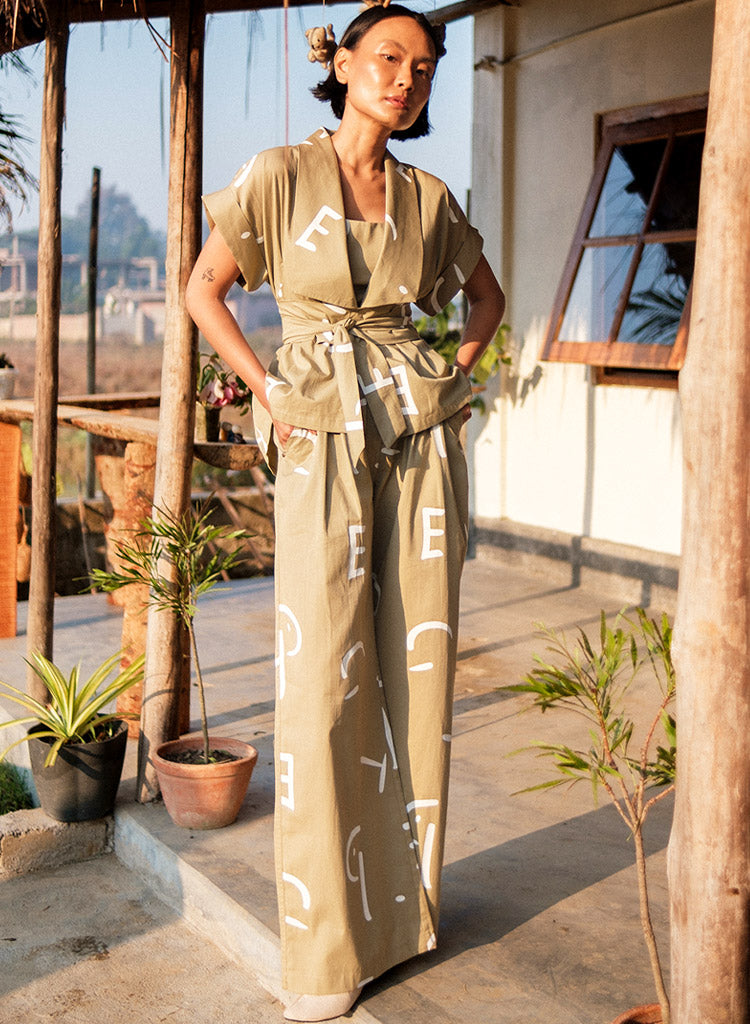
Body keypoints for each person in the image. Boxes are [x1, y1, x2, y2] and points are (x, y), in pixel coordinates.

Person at [186, 5, 505, 1020]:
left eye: (424, 66)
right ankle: (325, 951)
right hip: (319, 433)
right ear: (346, 64)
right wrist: (267, 392)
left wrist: (453, 381)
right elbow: (203, 289)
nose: (407, 78)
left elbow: (486, 300)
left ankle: (403, 920)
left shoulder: (429, 197)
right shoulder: (280, 174)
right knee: (322, 679)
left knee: (418, 670)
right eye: (389, 58)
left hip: (417, 440)